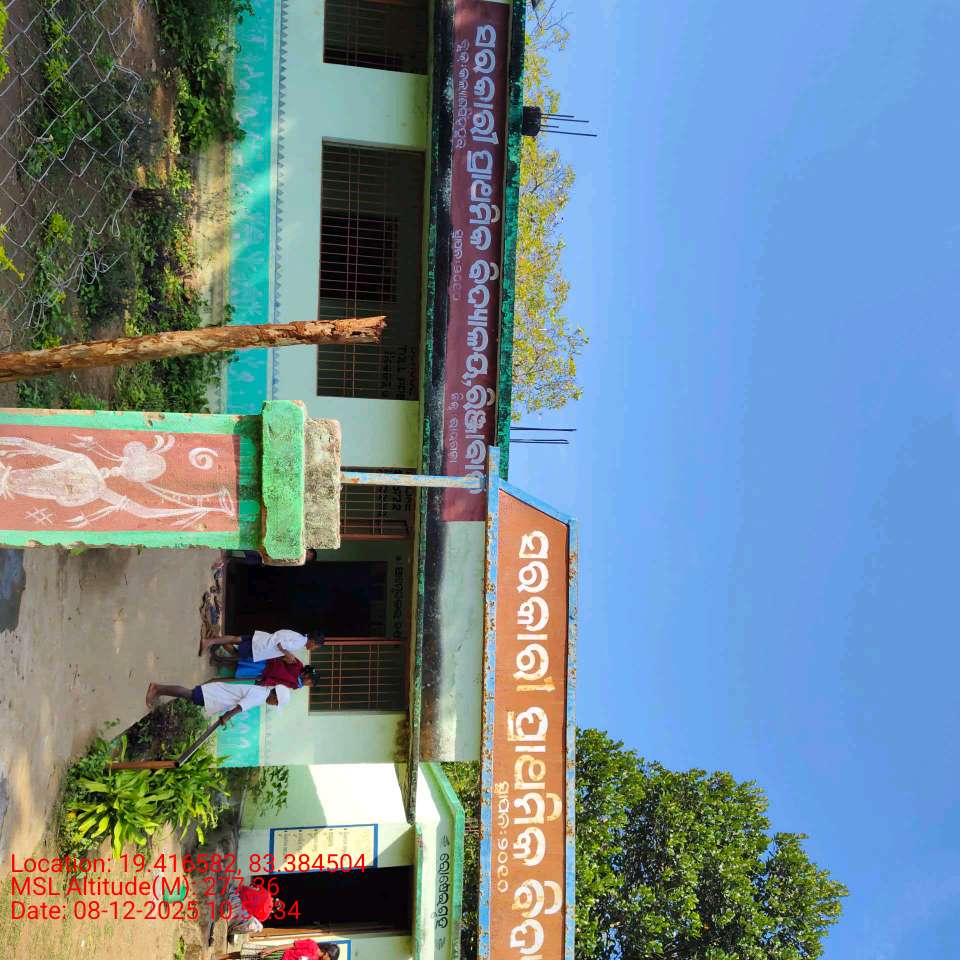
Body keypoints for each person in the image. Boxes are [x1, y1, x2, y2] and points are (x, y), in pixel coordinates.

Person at [145, 679, 291, 725]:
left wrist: (226, 716)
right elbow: (240, 707)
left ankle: (159, 690)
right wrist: (226, 717)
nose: (273, 705)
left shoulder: (263, 692)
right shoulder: (260, 696)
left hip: (217, 695)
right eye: (276, 703)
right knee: (188, 694)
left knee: (189, 695)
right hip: (215, 695)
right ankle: (157, 688)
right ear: (275, 697)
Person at [199, 628, 324, 660]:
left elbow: (281, 635)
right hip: (261, 647)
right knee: (237, 653)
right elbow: (281, 645)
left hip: (263, 640)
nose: (313, 649)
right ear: (313, 642)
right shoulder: (299, 642)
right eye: (316, 647)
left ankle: (212, 640)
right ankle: (211, 641)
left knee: (237, 639)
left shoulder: (299, 637)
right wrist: (288, 655)